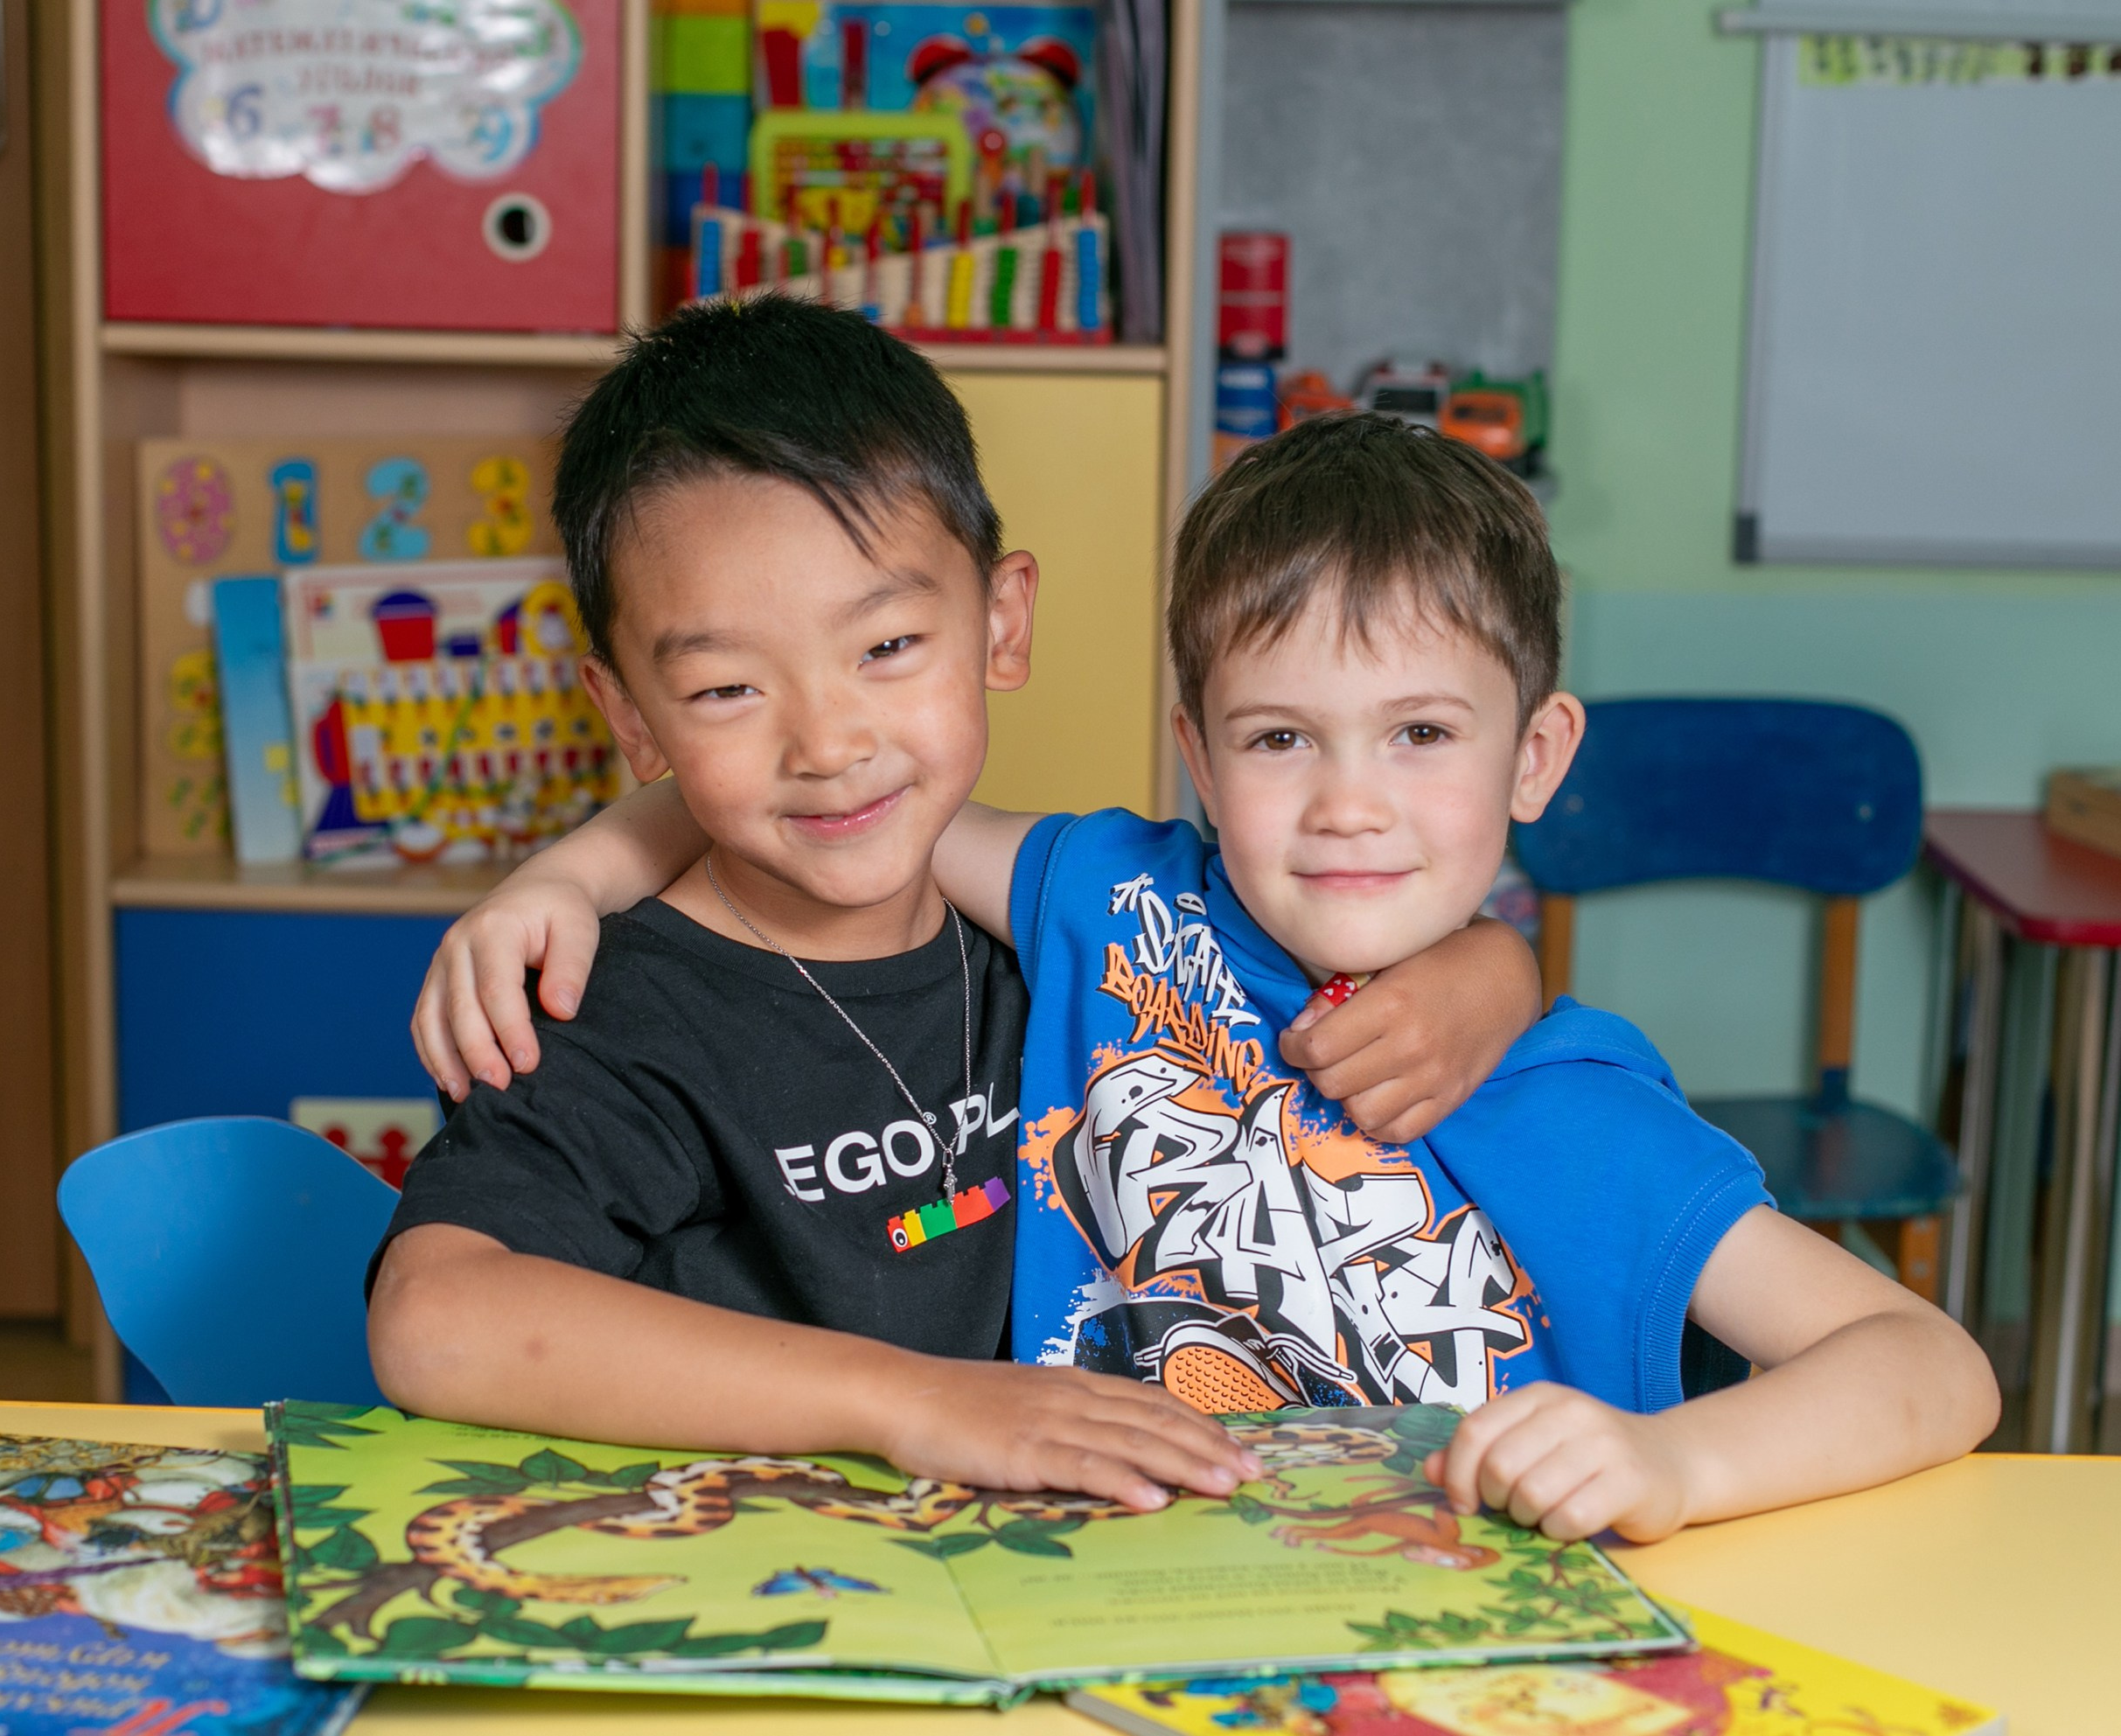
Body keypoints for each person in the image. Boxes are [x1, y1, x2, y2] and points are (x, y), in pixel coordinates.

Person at [423, 403, 1998, 1544]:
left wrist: (1677, 1468)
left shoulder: (1569, 1109)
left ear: (1535, 757)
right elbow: (831, 789)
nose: (1348, 803)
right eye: (1279, 737)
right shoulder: (1115, 903)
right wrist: (573, 872)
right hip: (1078, 1614)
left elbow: (1927, 1363)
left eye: (1421, 733)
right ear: (1196, 752)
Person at [366, 298, 1542, 1516]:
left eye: (884, 648)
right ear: (629, 715)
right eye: (725, 689)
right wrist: (913, 1401)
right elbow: (434, 1319)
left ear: (1001, 623)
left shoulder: (1063, 937)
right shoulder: (620, 1013)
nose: (828, 744)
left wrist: (1489, 969)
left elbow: (1312, 939)